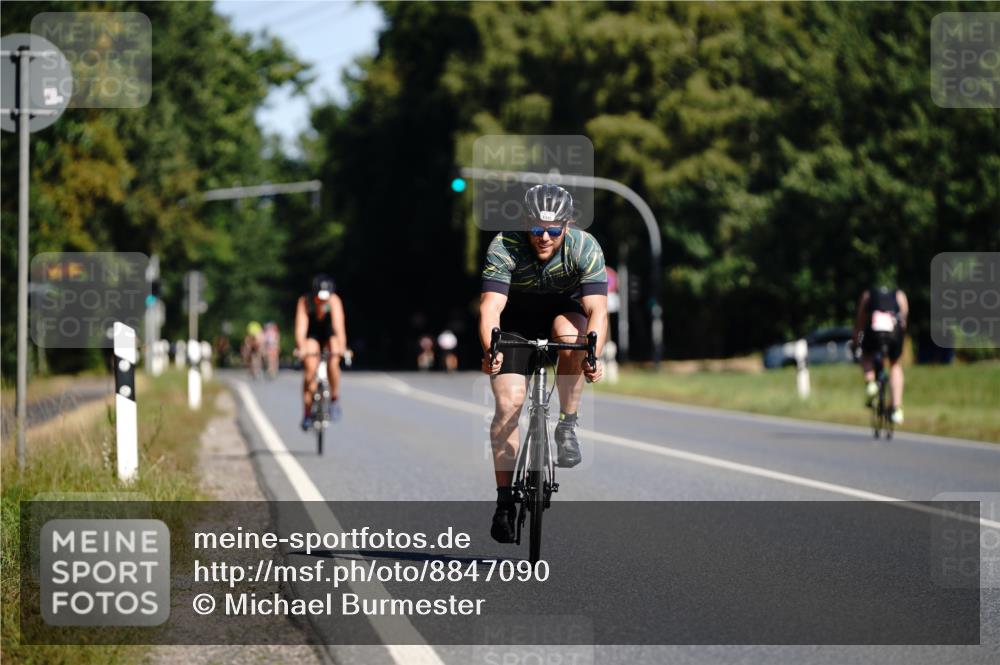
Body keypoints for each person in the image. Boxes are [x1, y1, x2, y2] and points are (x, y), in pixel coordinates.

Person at [479, 184, 608, 543]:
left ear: (567, 226)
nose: (545, 237)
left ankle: (567, 425)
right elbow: (490, 306)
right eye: (537, 229)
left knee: (573, 337)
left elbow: (597, 309)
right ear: (526, 224)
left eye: (554, 230)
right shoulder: (505, 245)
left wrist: (592, 354)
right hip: (515, 322)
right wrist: (491, 346)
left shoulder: (584, 247)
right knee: (508, 406)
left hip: (562, 317)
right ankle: (504, 503)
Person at [295, 274, 347, 430]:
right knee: (310, 368)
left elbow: (339, 328)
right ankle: (306, 412)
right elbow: (301, 328)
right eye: (319, 298)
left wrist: (342, 348)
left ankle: (335, 398)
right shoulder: (305, 302)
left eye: (326, 298)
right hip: (312, 335)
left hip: (329, 333)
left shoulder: (334, 301)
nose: (322, 302)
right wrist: (301, 348)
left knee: (334, 359)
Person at [852, 285, 909, 424]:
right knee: (895, 364)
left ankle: (871, 383)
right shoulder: (900, 294)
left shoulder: (868, 294)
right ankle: (896, 409)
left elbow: (860, 320)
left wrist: (856, 340)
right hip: (894, 333)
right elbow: (903, 320)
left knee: (865, 355)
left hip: (873, 332)